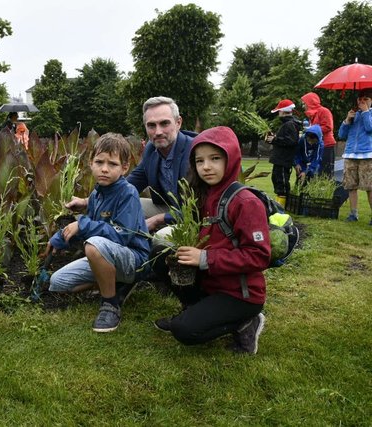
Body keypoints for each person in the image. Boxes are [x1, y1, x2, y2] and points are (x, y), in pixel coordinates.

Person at [152, 126, 271, 354]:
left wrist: (204, 257)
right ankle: (193, 309)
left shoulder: (246, 203)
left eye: (215, 158)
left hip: (240, 294)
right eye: (199, 161)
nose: (206, 167)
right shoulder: (204, 194)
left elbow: (259, 256)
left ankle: (245, 322)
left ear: (231, 157)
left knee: (184, 331)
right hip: (211, 281)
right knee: (160, 255)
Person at [45, 133, 150, 333]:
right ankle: (113, 282)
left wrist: (82, 224)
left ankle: (110, 304)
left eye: (112, 164)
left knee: (93, 245)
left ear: (125, 168)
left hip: (133, 259)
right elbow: (91, 227)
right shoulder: (96, 194)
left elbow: (121, 234)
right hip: (106, 255)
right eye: (99, 162)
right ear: (91, 163)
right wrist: (60, 239)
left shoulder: (128, 193)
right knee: (58, 283)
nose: (104, 168)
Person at [66, 96, 196, 233]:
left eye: (164, 123)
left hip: (197, 214)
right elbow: (132, 182)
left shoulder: (194, 152)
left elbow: (202, 207)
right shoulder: (152, 150)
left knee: (161, 238)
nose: (158, 132)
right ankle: (102, 241)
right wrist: (87, 201)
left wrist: (159, 219)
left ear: (178, 123)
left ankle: (132, 250)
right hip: (170, 207)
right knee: (120, 203)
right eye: (151, 125)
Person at [337, 88, 372, 224]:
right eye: (360, 99)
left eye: (366, 99)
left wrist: (365, 112)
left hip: (368, 155)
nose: (362, 102)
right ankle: (353, 214)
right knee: (351, 186)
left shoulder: (369, 114)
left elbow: (369, 128)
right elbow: (341, 135)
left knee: (369, 187)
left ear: (371, 101)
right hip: (350, 154)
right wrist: (347, 120)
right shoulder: (353, 114)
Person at [265, 99, 302, 206]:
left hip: (283, 159)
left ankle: (283, 205)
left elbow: (291, 141)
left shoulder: (289, 124)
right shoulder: (288, 124)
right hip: (280, 159)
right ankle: (279, 204)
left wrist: (275, 140)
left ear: (284, 111)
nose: (278, 113)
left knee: (282, 182)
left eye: (279, 111)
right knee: (277, 180)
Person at [301, 92, 337, 178]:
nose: (303, 106)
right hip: (317, 146)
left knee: (325, 172)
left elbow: (328, 127)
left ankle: (325, 191)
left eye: (304, 103)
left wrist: (311, 131)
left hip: (326, 145)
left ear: (310, 102)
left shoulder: (324, 111)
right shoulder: (312, 114)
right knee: (316, 172)